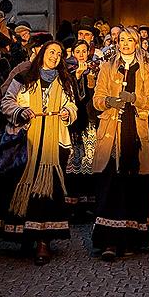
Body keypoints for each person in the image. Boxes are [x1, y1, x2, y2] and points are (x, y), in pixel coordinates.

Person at [0, 41, 77, 265]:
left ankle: (43, 241)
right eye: (51, 51)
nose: (54, 56)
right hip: (26, 142)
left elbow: (73, 105)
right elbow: (6, 102)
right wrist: (21, 111)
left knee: (47, 193)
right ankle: (25, 235)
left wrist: (67, 112)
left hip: (53, 145)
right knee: (21, 188)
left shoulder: (64, 81)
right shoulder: (23, 77)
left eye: (59, 53)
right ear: (42, 53)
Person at [92, 27, 149, 260]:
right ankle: (109, 241)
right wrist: (108, 101)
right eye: (122, 40)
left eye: (130, 40)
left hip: (136, 133)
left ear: (137, 43)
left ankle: (132, 239)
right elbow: (97, 99)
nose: (126, 44)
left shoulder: (147, 70)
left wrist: (136, 99)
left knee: (135, 186)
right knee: (111, 185)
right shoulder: (107, 67)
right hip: (112, 133)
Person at [66, 40, 99, 219]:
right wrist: (77, 77)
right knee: (75, 161)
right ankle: (73, 205)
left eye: (84, 51)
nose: (81, 54)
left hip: (90, 119)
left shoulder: (94, 68)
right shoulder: (68, 70)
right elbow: (73, 96)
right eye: (77, 51)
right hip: (75, 123)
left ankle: (88, 204)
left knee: (89, 161)